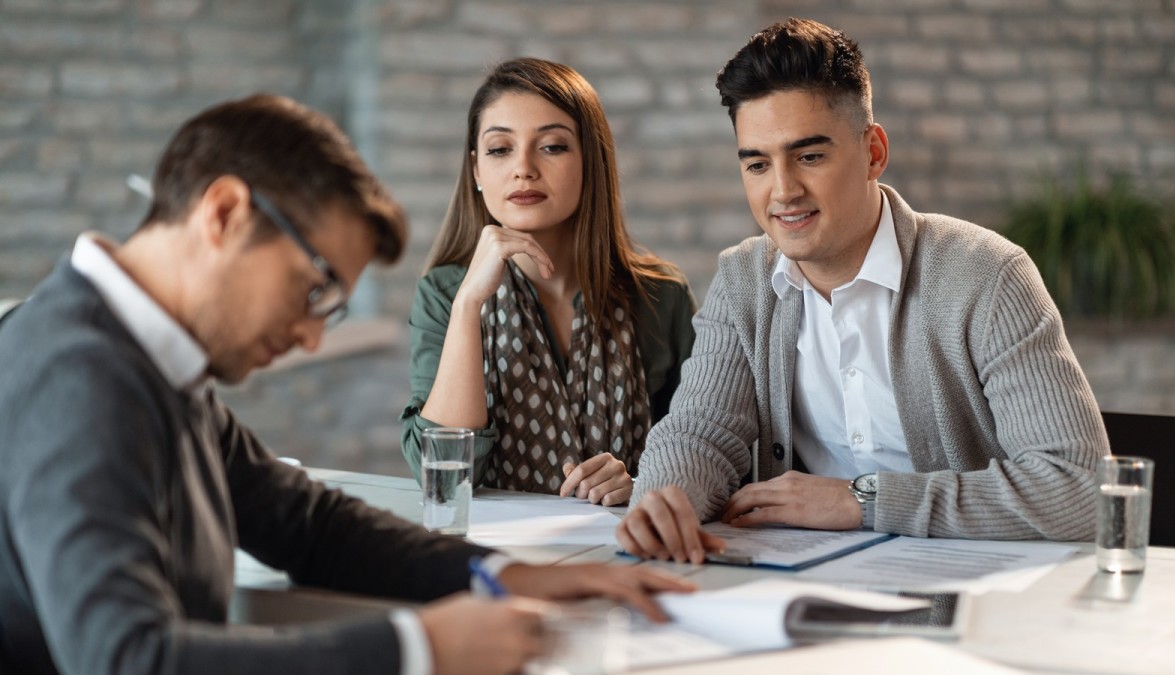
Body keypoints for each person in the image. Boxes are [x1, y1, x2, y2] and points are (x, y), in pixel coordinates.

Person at [0, 94, 693, 675]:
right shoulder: (81, 376)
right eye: (316, 290)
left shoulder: (147, 359)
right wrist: (417, 647)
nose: (310, 337)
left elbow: (310, 525)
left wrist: (507, 573)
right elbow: (127, 657)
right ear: (223, 214)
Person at [616, 18, 1110, 565]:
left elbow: (1081, 488)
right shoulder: (743, 281)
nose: (782, 191)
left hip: (964, 591)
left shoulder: (987, 276)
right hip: (799, 585)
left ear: (873, 152)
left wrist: (863, 500)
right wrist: (663, 501)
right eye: (757, 164)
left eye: (809, 157)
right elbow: (700, 434)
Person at [401, 58, 696, 506]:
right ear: (477, 170)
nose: (524, 168)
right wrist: (468, 307)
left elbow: (705, 451)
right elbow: (442, 476)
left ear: (590, 161)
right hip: (494, 554)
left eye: (552, 147)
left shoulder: (661, 296)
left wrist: (640, 484)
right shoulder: (445, 294)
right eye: (500, 149)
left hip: (628, 550)